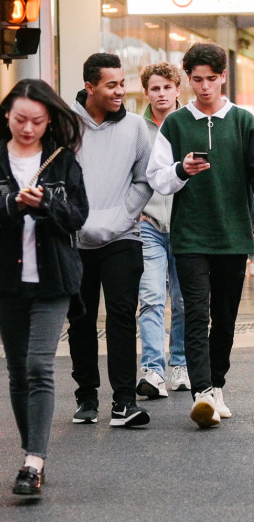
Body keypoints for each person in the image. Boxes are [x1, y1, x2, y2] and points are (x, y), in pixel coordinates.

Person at [0, 79, 88, 496]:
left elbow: (78, 216)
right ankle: (32, 452)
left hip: (54, 279)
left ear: (49, 120)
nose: (28, 128)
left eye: (37, 121)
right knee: (18, 372)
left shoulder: (62, 160)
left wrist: (46, 203)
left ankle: (33, 461)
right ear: (6, 116)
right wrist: (9, 205)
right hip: (7, 281)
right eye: (20, 120)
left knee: (38, 367)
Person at [146, 42, 254, 428]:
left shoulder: (244, 121)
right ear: (188, 80)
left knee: (225, 318)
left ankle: (217, 386)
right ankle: (203, 392)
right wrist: (181, 169)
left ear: (223, 76)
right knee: (196, 312)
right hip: (190, 235)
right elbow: (157, 177)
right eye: (197, 80)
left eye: (211, 79)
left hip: (233, 235)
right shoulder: (176, 123)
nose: (204, 87)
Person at [67, 53, 154, 428]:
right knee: (81, 320)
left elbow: (145, 180)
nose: (120, 91)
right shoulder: (65, 126)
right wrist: (77, 221)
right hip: (75, 239)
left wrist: (121, 218)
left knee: (121, 317)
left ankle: (124, 402)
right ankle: (86, 397)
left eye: (122, 83)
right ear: (90, 87)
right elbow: (56, 181)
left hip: (123, 236)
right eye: (111, 85)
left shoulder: (135, 127)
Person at [136, 62, 189, 399]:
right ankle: (153, 370)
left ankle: (180, 364)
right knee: (152, 298)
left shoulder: (188, 124)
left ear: (177, 90)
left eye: (167, 87)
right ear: (146, 92)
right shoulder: (136, 129)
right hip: (149, 226)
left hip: (186, 227)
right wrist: (134, 212)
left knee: (183, 301)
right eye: (155, 88)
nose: (161, 94)